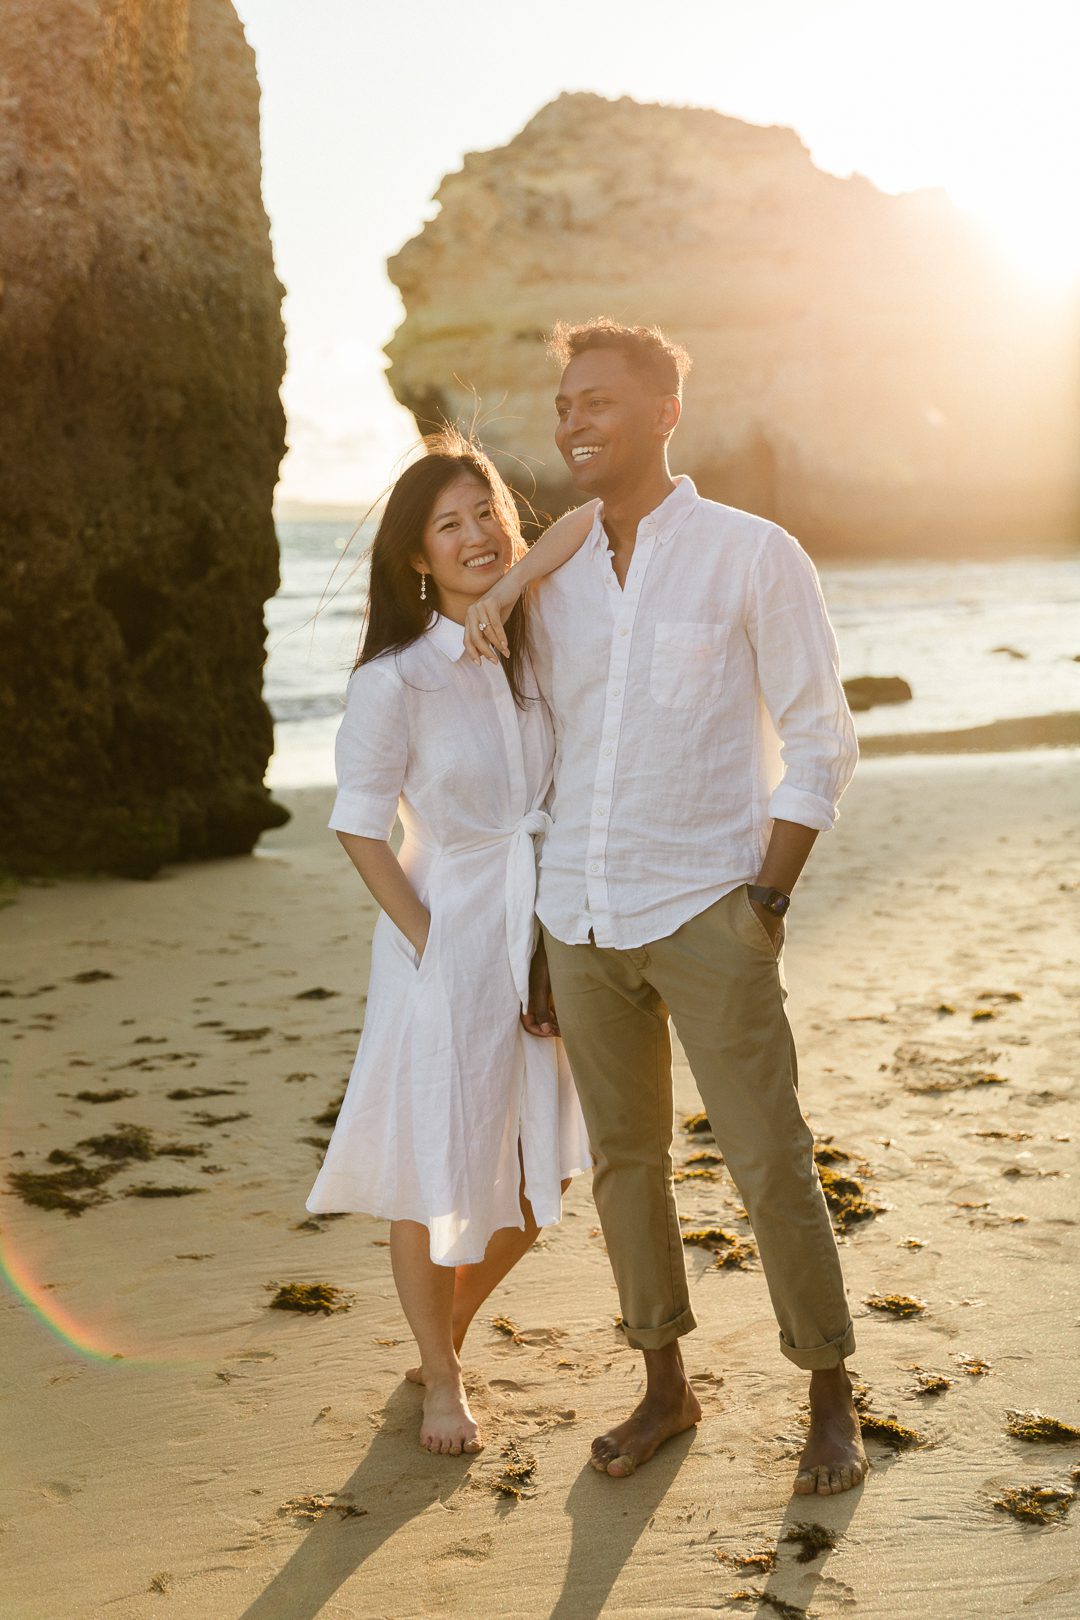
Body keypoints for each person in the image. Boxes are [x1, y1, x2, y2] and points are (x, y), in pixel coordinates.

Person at [463, 319, 868, 1496]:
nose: (571, 422)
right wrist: (540, 925)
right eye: (563, 405)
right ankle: (663, 1384)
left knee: (768, 1158)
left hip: (710, 908)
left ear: (661, 414)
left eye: (595, 401)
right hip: (579, 918)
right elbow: (540, 753)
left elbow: (821, 737)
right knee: (628, 1165)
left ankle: (829, 1390)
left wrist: (768, 901)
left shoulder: (752, 554)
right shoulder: (558, 580)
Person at [307, 430, 592, 1458]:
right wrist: (433, 946)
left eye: (486, 514)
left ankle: (448, 1332)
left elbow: (595, 521)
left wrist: (513, 590)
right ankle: (441, 1377)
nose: (474, 534)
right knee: (439, 1161)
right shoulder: (396, 679)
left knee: (544, 1169)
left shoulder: (528, 640)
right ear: (414, 557)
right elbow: (355, 824)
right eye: (449, 524)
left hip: (541, 925)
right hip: (444, 928)